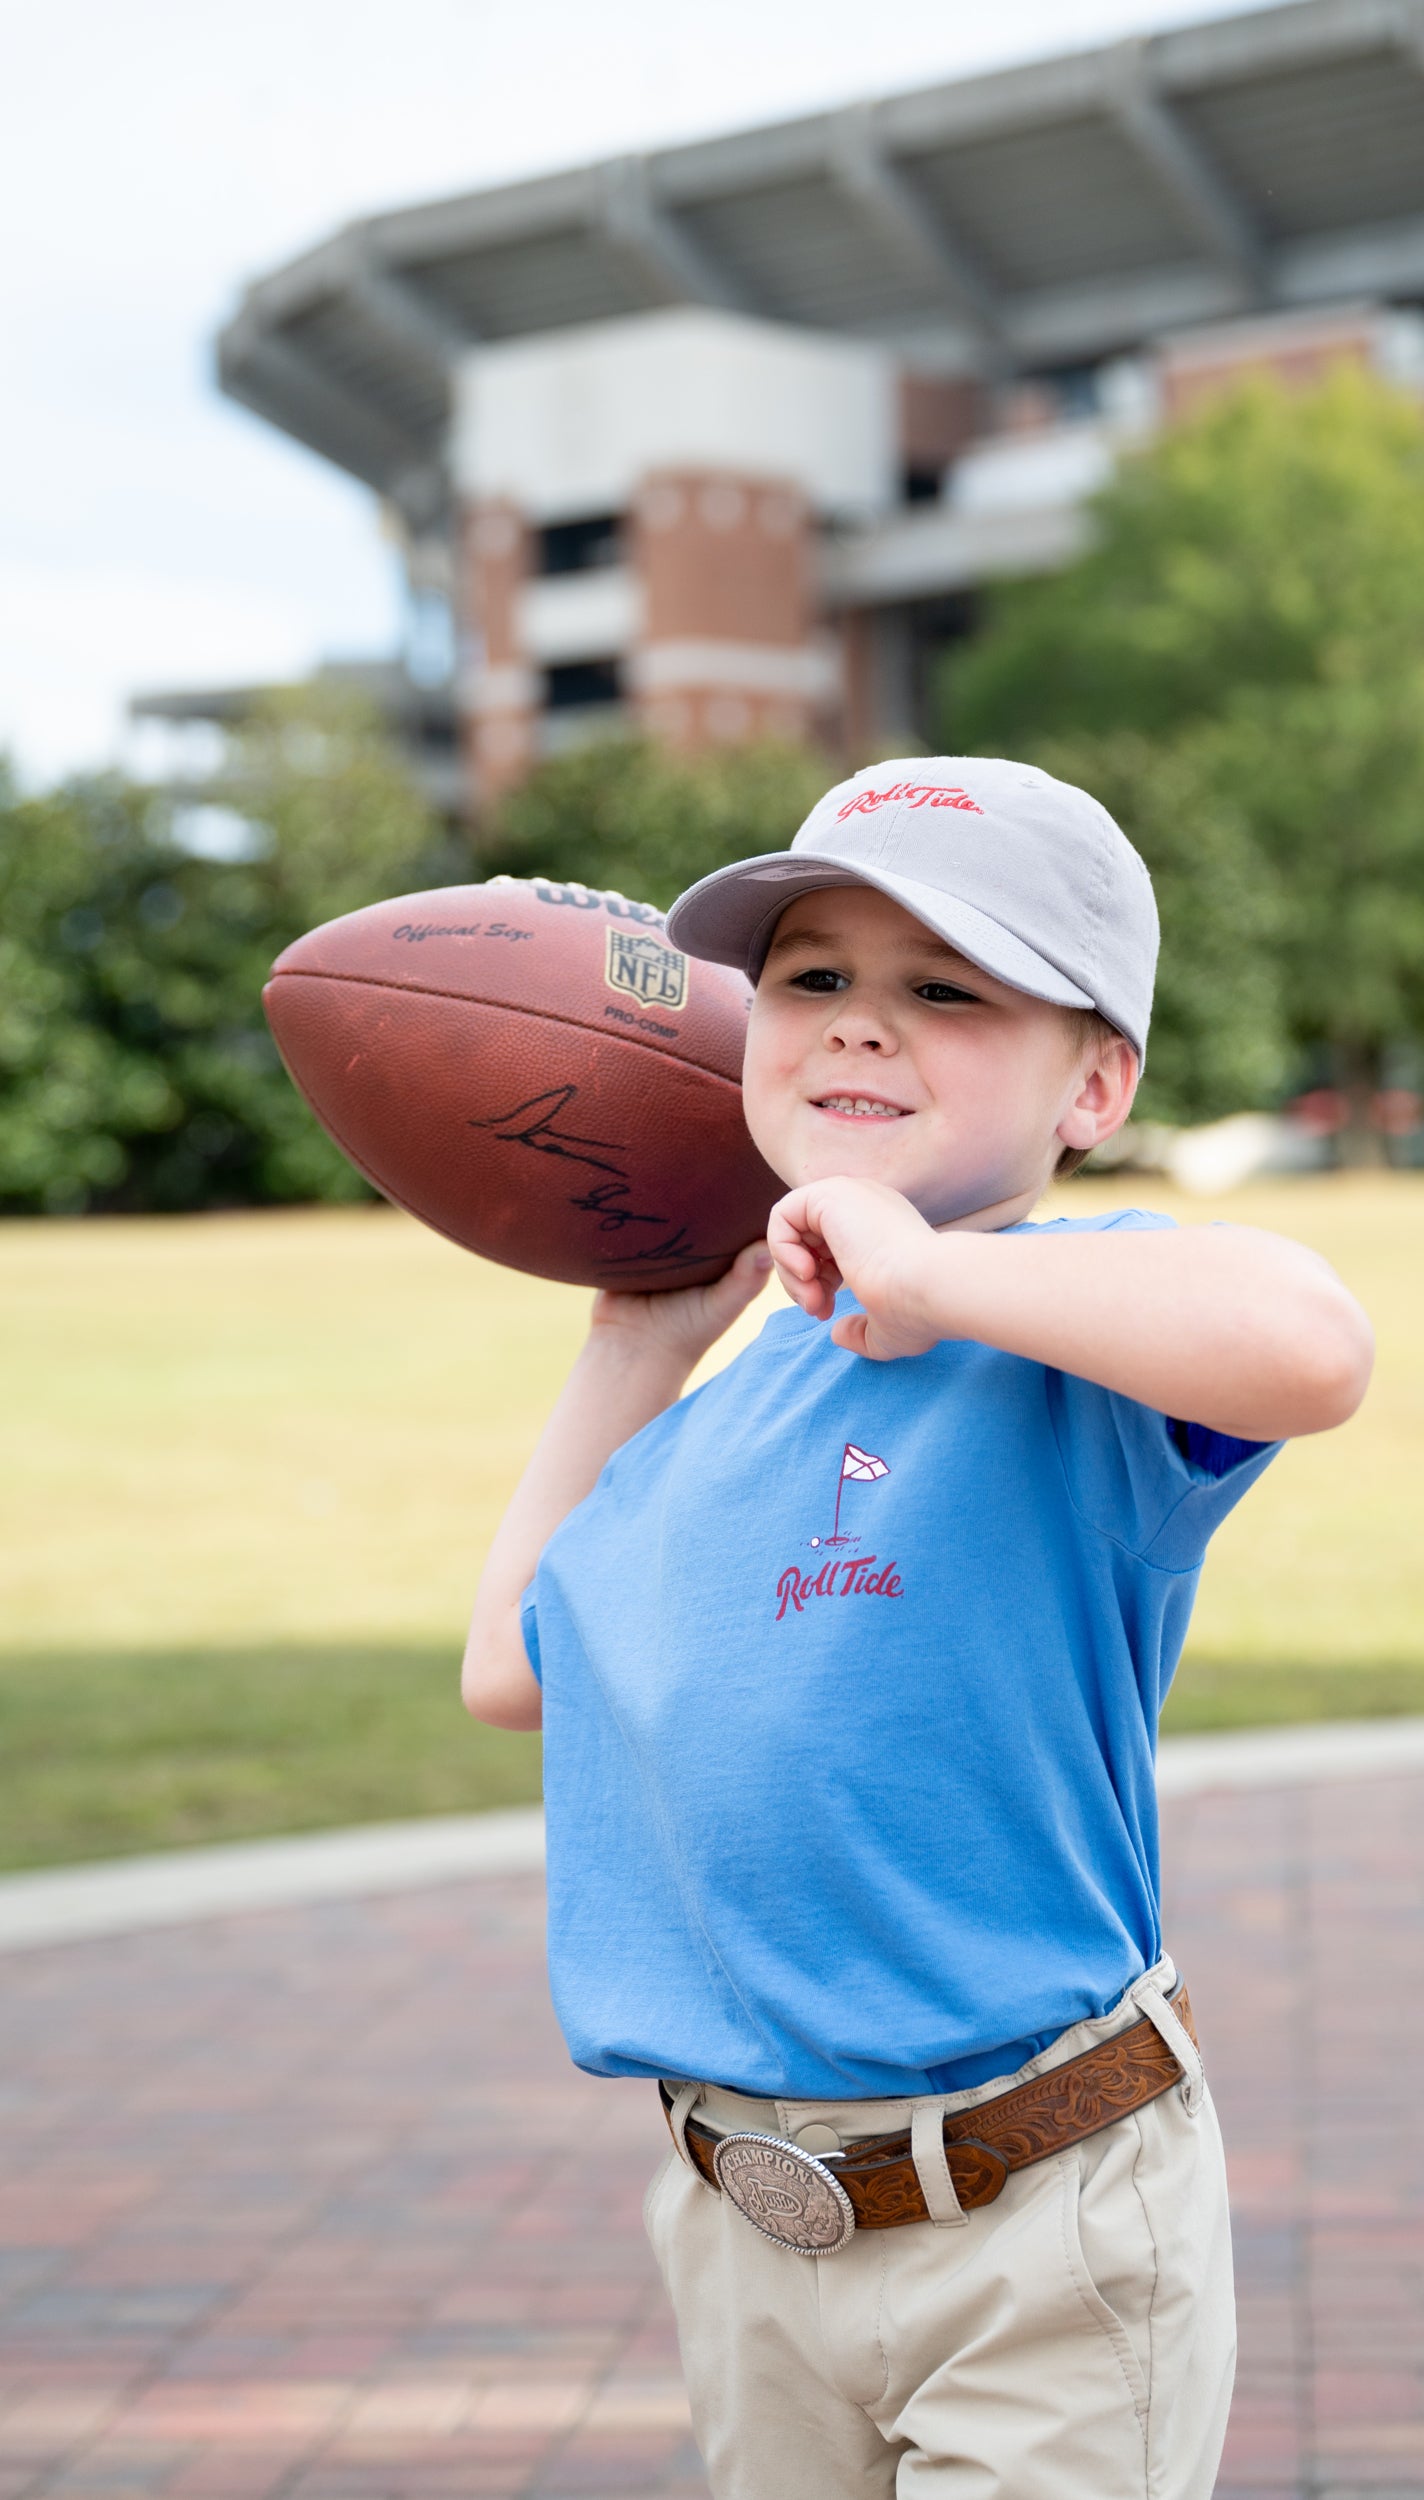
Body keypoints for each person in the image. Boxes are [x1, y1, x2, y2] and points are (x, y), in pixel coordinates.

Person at [462, 757, 1372, 2500]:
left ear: (1094, 1081)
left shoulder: (1072, 1339)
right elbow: (515, 1668)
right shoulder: (720, 1411)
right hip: (748, 2227)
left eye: (945, 991)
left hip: (1045, 2218)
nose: (861, 1028)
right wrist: (640, 1346)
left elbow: (1311, 1342)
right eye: (812, 980)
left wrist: (932, 1274)